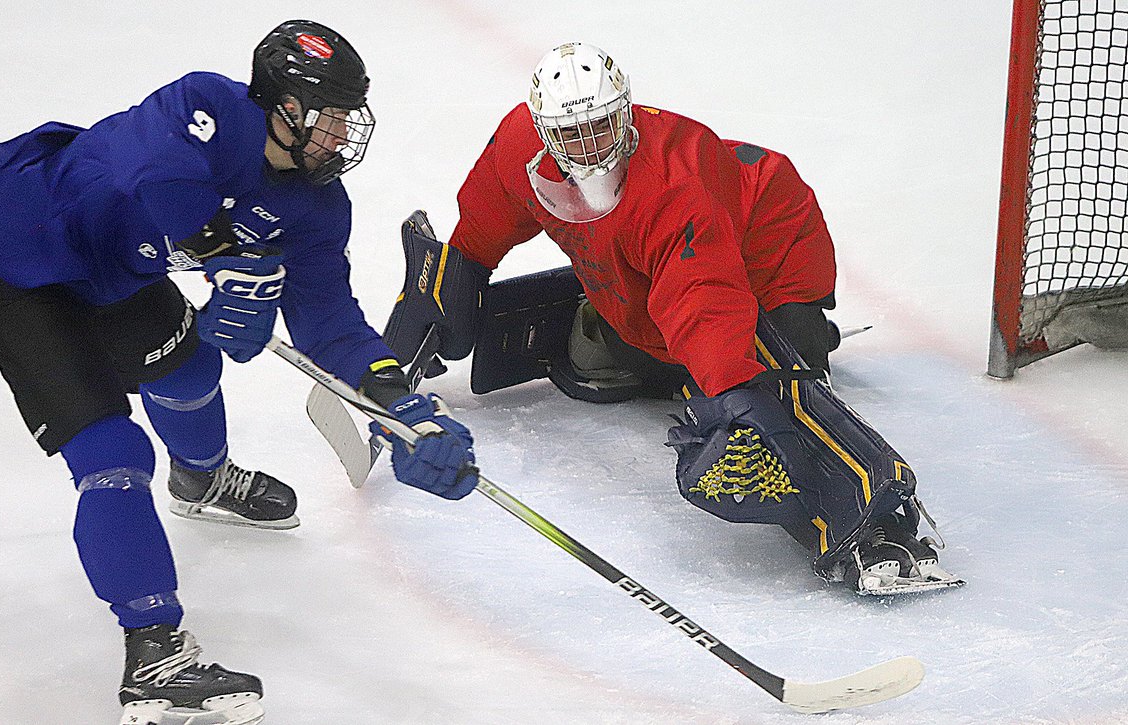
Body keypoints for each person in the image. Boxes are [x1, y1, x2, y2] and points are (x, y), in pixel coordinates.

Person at [0, 20, 477, 725]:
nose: (343, 135)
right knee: (113, 454)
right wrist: (229, 257)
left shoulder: (318, 208)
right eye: (331, 117)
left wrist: (401, 406)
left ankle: (201, 477)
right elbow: (154, 180)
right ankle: (154, 654)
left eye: (351, 117)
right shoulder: (205, 107)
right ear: (284, 107)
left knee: (191, 366)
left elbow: (329, 321)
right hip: (22, 261)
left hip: (117, 277)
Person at [382, 42, 962, 597]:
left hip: (767, 255)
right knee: (653, 358)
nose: (586, 147)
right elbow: (485, 217)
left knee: (770, 395)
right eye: (567, 134)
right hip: (647, 275)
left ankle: (877, 525)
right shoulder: (520, 147)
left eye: (600, 126)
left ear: (625, 113)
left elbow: (705, 300)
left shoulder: (675, 177)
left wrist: (739, 393)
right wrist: (444, 287)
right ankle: (601, 322)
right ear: (541, 130)